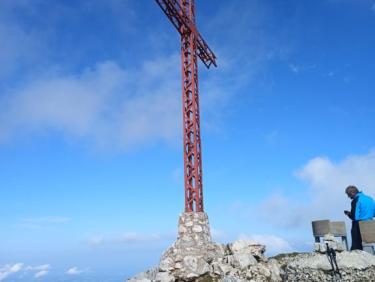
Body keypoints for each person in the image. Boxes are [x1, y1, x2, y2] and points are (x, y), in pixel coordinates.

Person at [344, 185, 375, 250]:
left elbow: (354, 217)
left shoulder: (356, 200)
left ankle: (356, 250)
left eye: (349, 195)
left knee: (354, 223)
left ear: (352, 193)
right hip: (371, 224)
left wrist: (349, 214)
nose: (348, 197)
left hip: (361, 226)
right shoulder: (370, 198)